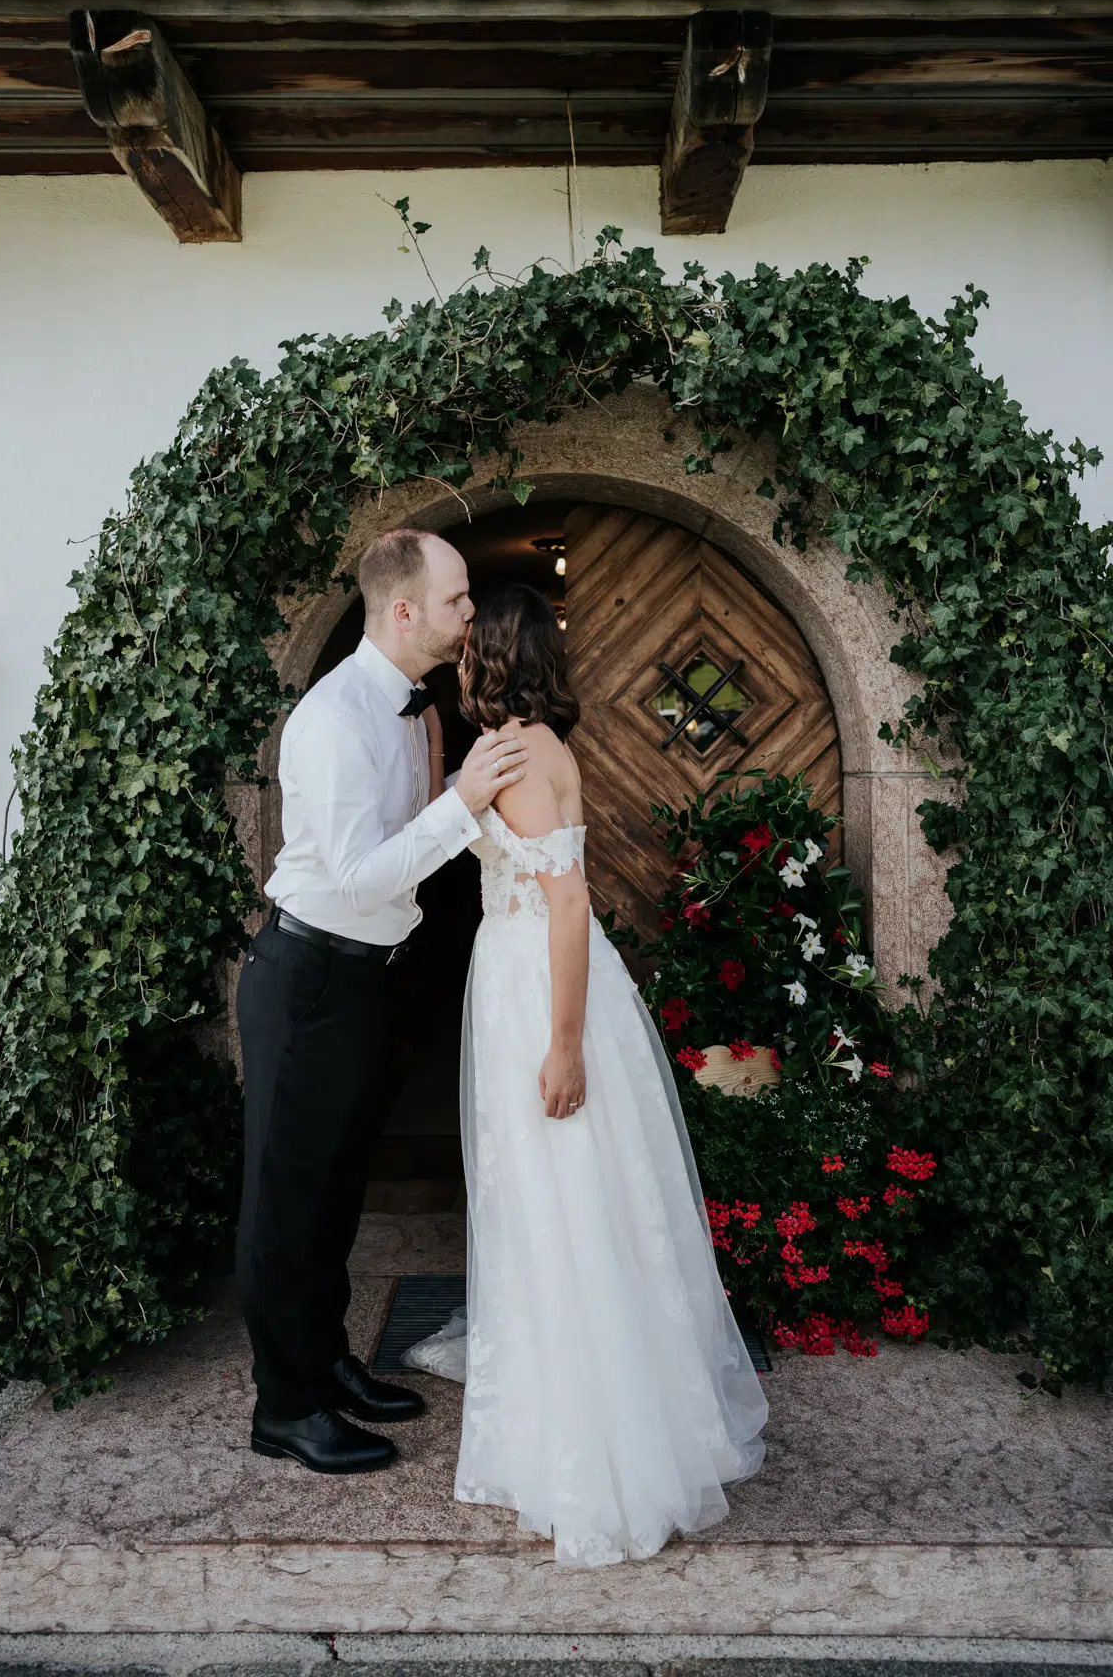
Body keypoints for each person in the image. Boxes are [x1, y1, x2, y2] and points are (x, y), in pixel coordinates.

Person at [409, 583, 768, 1566]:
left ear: (499, 654)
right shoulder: (523, 744)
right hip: (526, 970)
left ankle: (595, 1443)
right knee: (563, 1198)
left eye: (471, 641)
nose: (460, 650)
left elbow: (567, 907)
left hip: (542, 981)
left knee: (560, 1195)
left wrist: (563, 1045)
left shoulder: (522, 753)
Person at [235, 528, 528, 1476]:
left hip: (365, 975)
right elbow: (358, 878)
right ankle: (284, 1409)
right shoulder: (333, 719)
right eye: (457, 600)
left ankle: (325, 1365)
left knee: (334, 1193)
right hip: (309, 975)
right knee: (287, 1204)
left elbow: (402, 846)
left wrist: (454, 793)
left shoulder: (412, 712)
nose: (469, 614)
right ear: (403, 611)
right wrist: (465, 804)